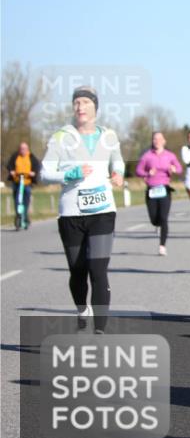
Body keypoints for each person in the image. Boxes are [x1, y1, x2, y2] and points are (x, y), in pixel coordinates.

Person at [39, 86, 125, 333]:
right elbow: (44, 173)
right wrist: (70, 174)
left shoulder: (108, 135)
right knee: (77, 271)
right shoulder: (60, 137)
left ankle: (99, 331)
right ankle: (81, 309)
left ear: (95, 108)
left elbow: (117, 158)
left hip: (102, 211)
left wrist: (118, 172)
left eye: (86, 102)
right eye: (76, 102)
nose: (80, 106)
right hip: (71, 214)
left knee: (98, 270)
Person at [135, 131, 183, 255]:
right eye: (155, 139)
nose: (157, 141)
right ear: (153, 141)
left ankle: (162, 246)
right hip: (151, 190)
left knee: (164, 218)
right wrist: (147, 173)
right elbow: (138, 171)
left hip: (164, 189)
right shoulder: (147, 156)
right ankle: (157, 225)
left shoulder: (170, 155)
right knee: (154, 220)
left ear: (164, 141)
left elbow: (179, 169)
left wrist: (173, 169)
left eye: (159, 139)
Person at [7, 142, 41, 230]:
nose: (23, 150)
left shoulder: (31, 157)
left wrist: (33, 173)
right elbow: (9, 165)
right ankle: (18, 216)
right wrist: (11, 171)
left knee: (26, 201)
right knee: (17, 201)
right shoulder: (15, 156)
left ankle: (25, 217)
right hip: (17, 182)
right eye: (21, 149)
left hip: (27, 182)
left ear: (27, 149)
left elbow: (37, 166)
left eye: (24, 149)